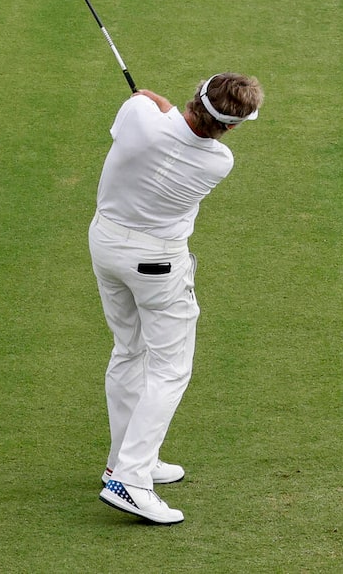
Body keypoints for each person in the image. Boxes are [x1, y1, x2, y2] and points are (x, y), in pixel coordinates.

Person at [89, 73, 263, 525]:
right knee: (169, 369)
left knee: (129, 350)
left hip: (106, 246)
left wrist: (158, 106)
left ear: (197, 94)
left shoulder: (140, 116)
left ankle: (123, 461)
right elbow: (174, 125)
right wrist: (165, 112)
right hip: (158, 266)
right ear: (232, 125)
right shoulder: (219, 161)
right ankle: (131, 478)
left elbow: (150, 111)